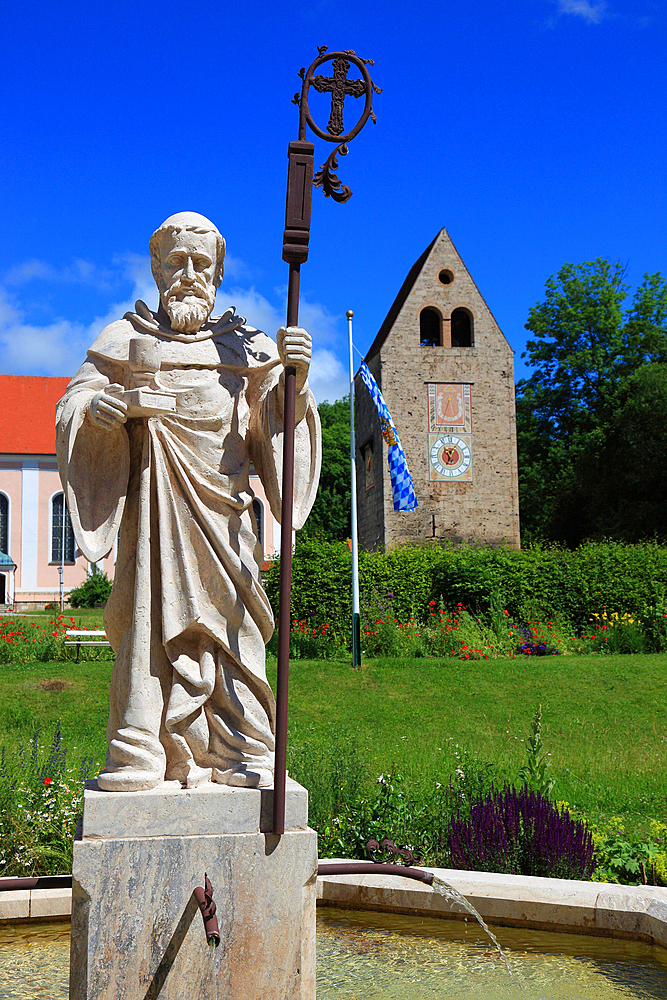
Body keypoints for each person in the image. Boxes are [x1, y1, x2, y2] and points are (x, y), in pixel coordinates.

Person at [56, 212, 321, 792]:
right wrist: (101, 416)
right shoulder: (123, 341)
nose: (188, 275)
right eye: (176, 262)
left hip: (226, 536)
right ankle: (141, 747)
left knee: (235, 644)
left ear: (220, 272)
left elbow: (273, 434)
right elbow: (76, 408)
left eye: (201, 264)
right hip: (152, 533)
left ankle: (238, 752)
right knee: (147, 636)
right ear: (155, 267)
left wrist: (293, 386)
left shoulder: (246, 349)